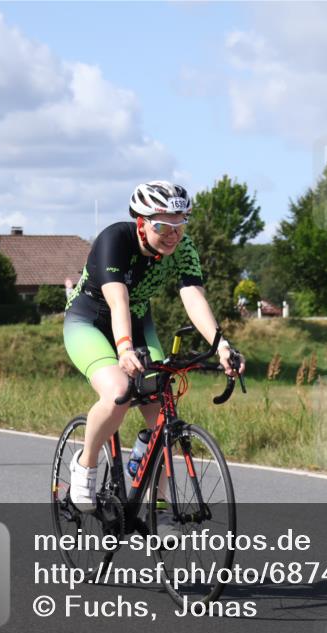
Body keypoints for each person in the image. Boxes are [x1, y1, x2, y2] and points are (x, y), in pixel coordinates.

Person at [62, 181, 245, 509]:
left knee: (162, 403)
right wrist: (124, 349)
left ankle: (158, 504)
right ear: (141, 222)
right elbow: (117, 301)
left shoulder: (184, 248)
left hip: (138, 319)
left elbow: (193, 296)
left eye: (181, 224)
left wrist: (222, 346)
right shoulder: (115, 240)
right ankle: (85, 463)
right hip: (90, 320)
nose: (174, 234)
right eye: (164, 225)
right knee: (119, 391)